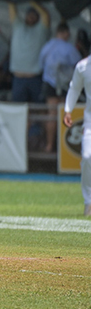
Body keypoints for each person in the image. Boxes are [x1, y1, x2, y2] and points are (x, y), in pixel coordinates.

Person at [40, 22, 81, 153]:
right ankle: (62, 148)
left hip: (49, 83)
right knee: (65, 114)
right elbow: (79, 66)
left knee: (52, 114)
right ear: (65, 33)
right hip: (64, 85)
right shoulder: (69, 48)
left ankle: (49, 145)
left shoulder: (47, 46)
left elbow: (41, 63)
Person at [62, 56, 91, 216]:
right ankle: (89, 202)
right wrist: (68, 110)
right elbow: (74, 88)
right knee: (87, 157)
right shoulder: (82, 67)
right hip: (90, 122)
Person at [9, 4, 50, 103]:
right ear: (25, 16)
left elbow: (46, 16)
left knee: (39, 109)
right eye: (29, 15)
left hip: (35, 78)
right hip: (18, 78)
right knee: (18, 109)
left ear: (38, 17)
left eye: (34, 15)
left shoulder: (42, 30)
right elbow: (11, 6)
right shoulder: (18, 26)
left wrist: (33, 1)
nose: (31, 17)